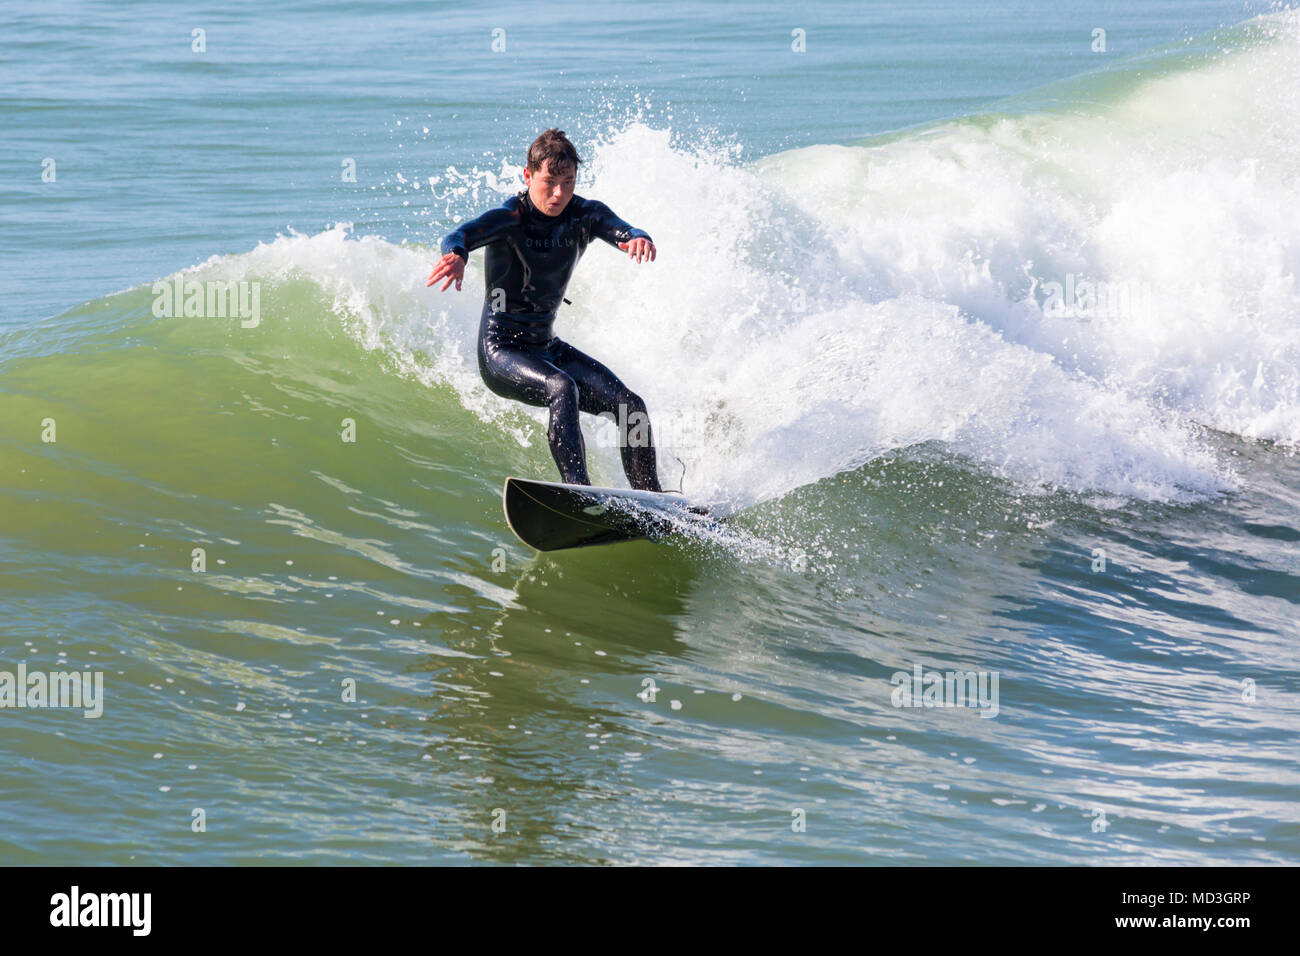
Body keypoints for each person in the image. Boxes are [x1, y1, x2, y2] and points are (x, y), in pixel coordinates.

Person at [427, 128, 663, 491]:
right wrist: (456, 254)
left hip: (546, 348)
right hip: (501, 351)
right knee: (561, 387)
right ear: (528, 176)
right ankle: (578, 493)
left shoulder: (584, 215)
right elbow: (460, 234)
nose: (559, 194)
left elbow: (623, 228)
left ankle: (653, 501)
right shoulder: (509, 219)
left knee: (630, 406)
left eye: (568, 183)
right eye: (549, 182)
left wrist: (636, 236)